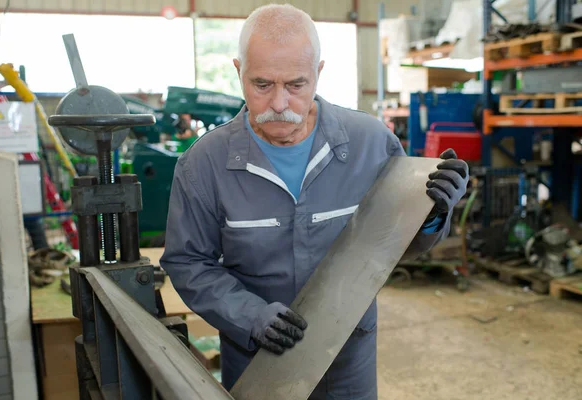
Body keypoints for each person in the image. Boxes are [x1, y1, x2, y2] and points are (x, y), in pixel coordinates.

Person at [160, 4, 469, 399]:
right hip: (257, 358)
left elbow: (394, 245)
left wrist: (432, 214)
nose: (279, 103)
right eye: (261, 84)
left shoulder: (370, 144)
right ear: (238, 71)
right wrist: (250, 316)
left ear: (318, 73)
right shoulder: (204, 165)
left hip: (348, 355)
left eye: (296, 85)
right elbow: (187, 262)